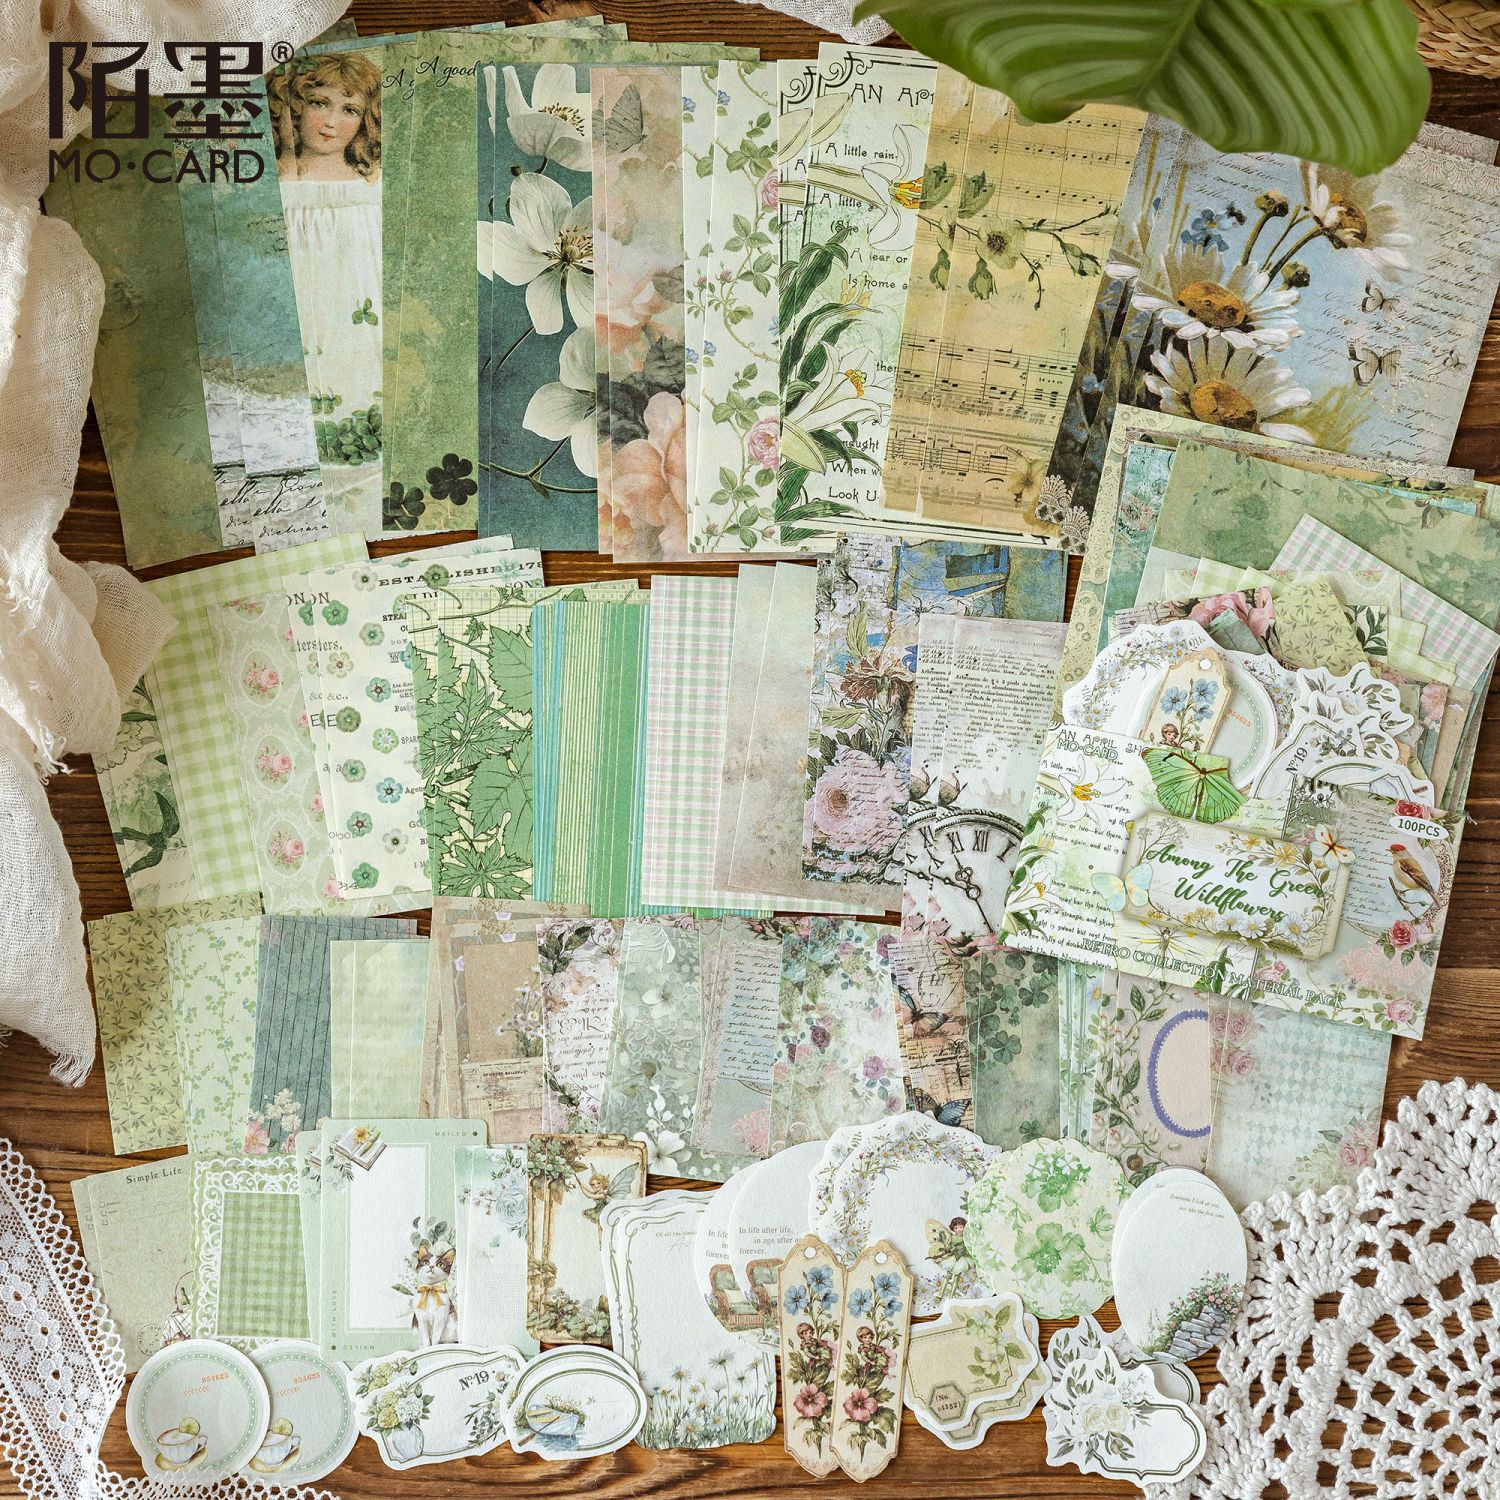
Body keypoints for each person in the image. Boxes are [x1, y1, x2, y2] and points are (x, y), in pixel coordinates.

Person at [267, 54, 384, 533]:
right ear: (295, 108)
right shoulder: (280, 181)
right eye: (319, 103)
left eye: (349, 109)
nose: (332, 122)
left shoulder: (369, 185)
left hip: (355, 298)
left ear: (364, 119)